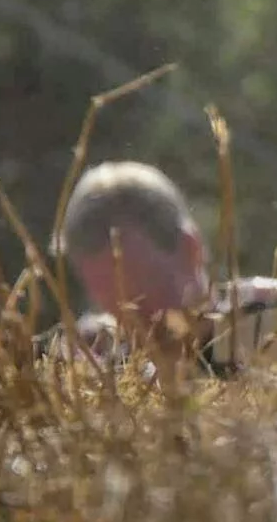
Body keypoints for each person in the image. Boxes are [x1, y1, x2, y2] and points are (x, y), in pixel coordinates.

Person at [58, 162, 210, 379]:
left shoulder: (263, 325)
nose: (136, 324)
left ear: (191, 249)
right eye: (113, 307)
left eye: (143, 297)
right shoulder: (103, 354)